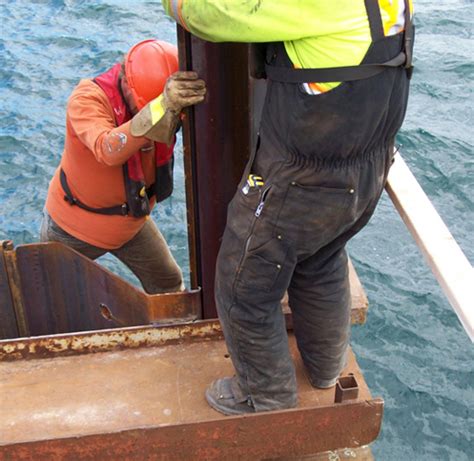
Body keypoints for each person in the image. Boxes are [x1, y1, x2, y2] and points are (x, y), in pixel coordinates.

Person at [163, 0, 414, 414]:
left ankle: (266, 396)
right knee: (321, 256)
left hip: (305, 177)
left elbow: (212, 14)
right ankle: (325, 371)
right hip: (367, 169)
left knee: (242, 285)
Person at [40, 39, 206, 294]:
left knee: (169, 283)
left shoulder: (166, 102)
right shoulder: (86, 100)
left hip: (132, 220)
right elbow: (108, 148)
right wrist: (160, 107)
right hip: (75, 228)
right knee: (51, 294)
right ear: (127, 82)